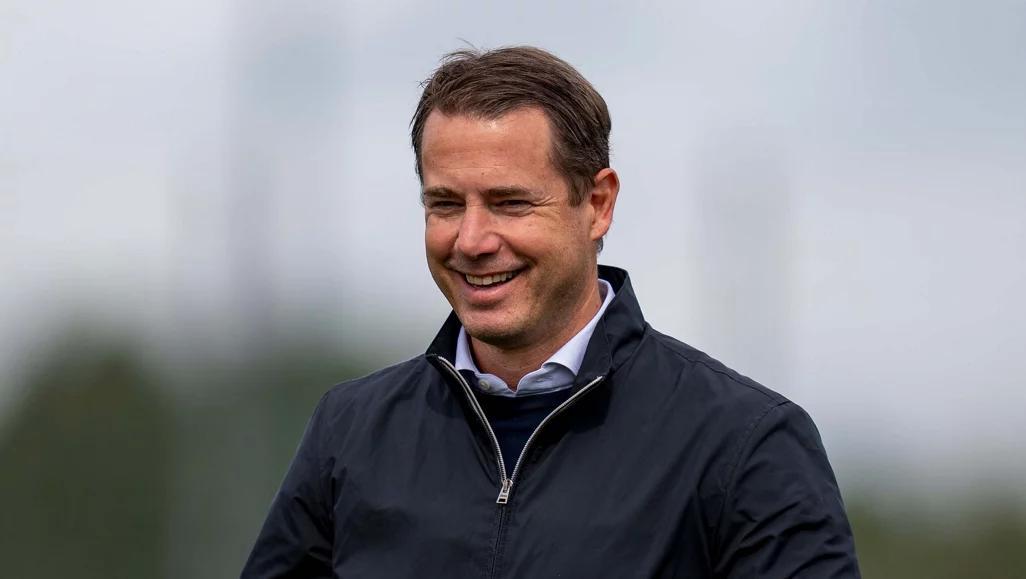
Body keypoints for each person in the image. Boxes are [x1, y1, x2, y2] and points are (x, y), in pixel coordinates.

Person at [241, 46, 860, 578]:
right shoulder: (349, 431)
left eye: (510, 203)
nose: (472, 240)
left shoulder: (746, 444)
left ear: (597, 204)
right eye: (445, 204)